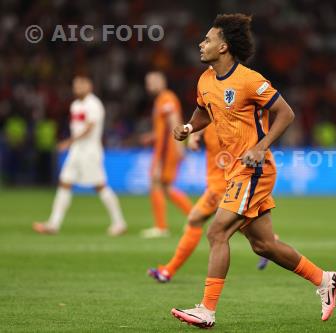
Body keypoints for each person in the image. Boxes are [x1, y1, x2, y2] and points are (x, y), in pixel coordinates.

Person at [169, 14, 336, 328]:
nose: (201, 43)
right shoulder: (205, 79)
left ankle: (206, 310)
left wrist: (262, 146)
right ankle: (324, 279)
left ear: (224, 47)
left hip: (255, 168)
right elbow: (203, 111)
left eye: (207, 39)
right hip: (235, 170)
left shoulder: (249, 80)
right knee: (264, 245)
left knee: (217, 231)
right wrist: (188, 127)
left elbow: (285, 113)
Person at [147, 123, 272, 283]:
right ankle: (266, 241)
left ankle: (168, 271)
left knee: (198, 220)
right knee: (227, 225)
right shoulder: (212, 109)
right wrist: (195, 134)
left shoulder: (230, 115)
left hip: (223, 184)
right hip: (216, 181)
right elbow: (204, 118)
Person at [33, 76, 127, 236]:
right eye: (76, 85)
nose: (78, 88)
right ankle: (53, 224)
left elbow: (89, 128)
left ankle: (119, 223)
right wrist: (72, 144)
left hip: (90, 151)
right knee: (64, 183)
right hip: (76, 151)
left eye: (81, 85)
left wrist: (68, 142)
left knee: (100, 186)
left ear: (89, 86)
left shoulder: (94, 104)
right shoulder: (75, 105)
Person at [140, 72, 193, 238]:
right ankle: (194, 217)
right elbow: (163, 127)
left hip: (166, 150)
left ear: (162, 82)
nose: (149, 85)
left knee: (157, 183)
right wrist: (152, 136)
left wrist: (179, 147)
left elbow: (174, 122)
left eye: (152, 82)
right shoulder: (160, 100)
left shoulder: (166, 98)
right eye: (147, 82)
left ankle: (161, 227)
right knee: (165, 188)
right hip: (163, 148)